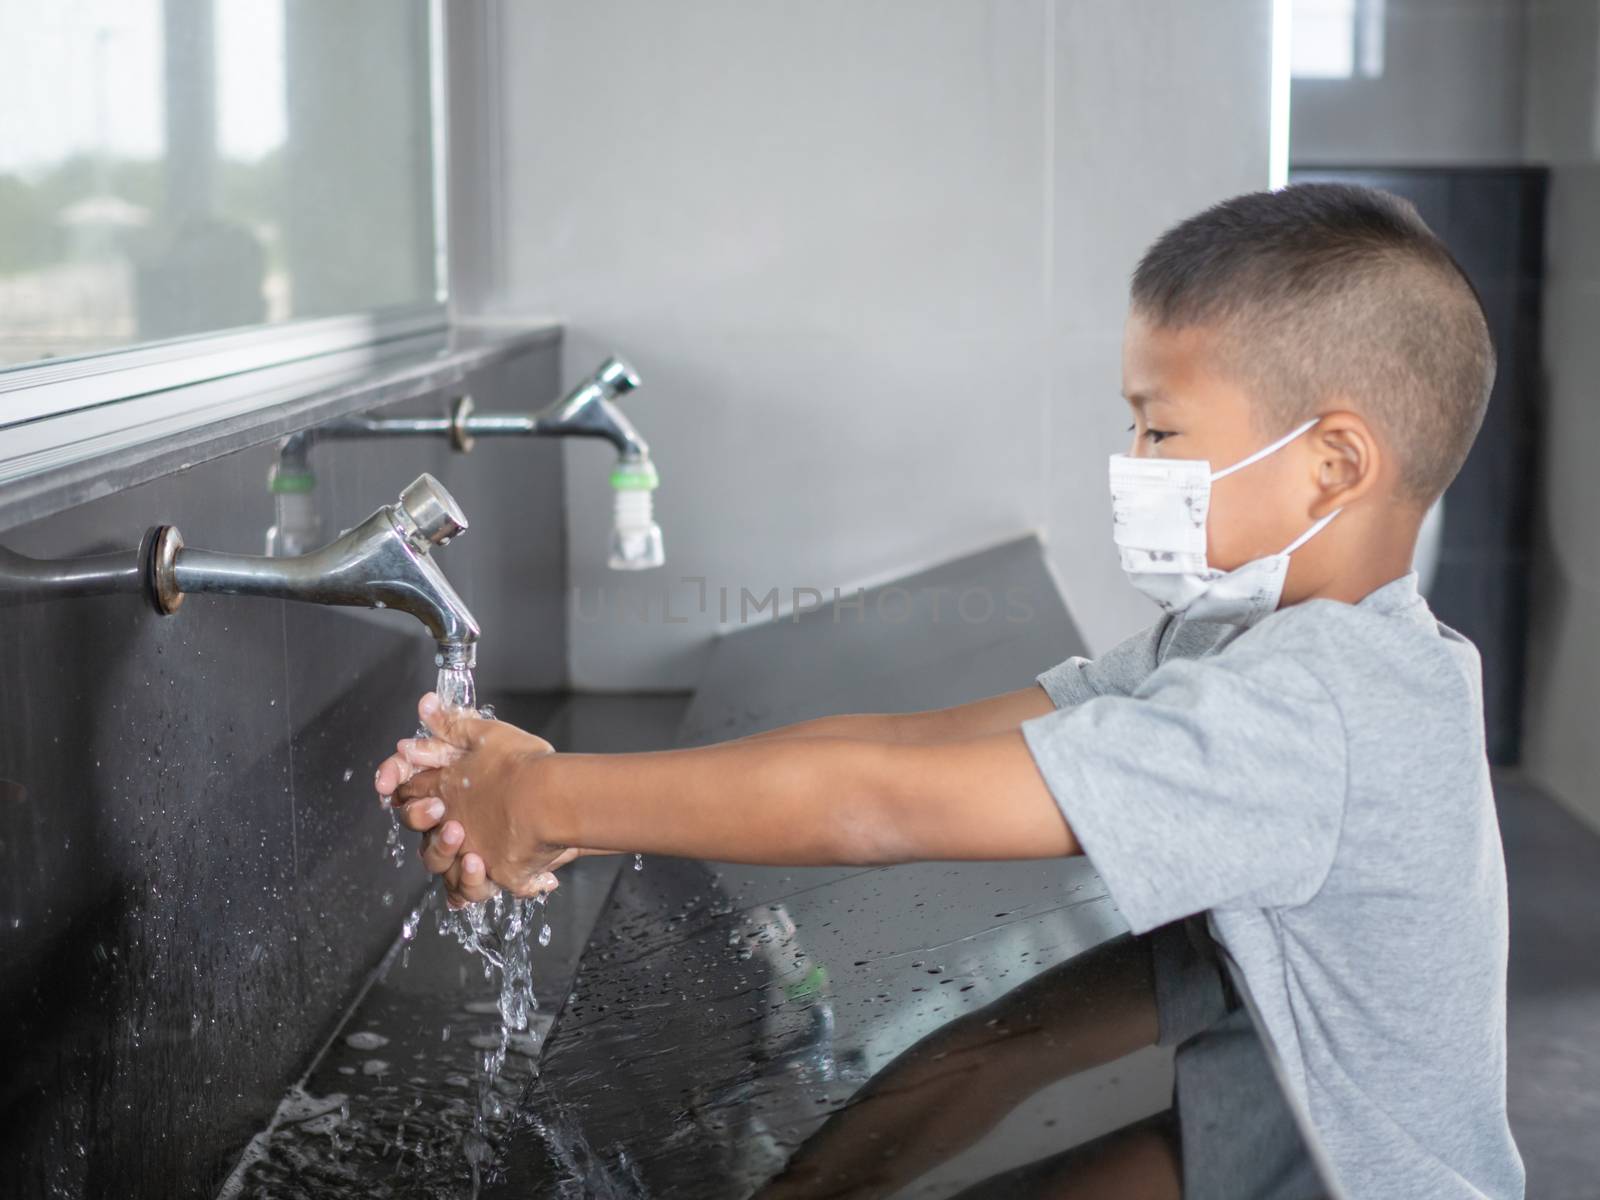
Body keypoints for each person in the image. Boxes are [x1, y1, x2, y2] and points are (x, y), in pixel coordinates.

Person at [374, 183, 1525, 1199]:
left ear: (1334, 462)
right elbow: (914, 744)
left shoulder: (1314, 705)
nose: (1133, 465)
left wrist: (546, 803)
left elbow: (878, 809)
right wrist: (552, 783)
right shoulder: (1245, 644)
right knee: (973, 1063)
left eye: (1161, 428)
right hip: (1269, 1112)